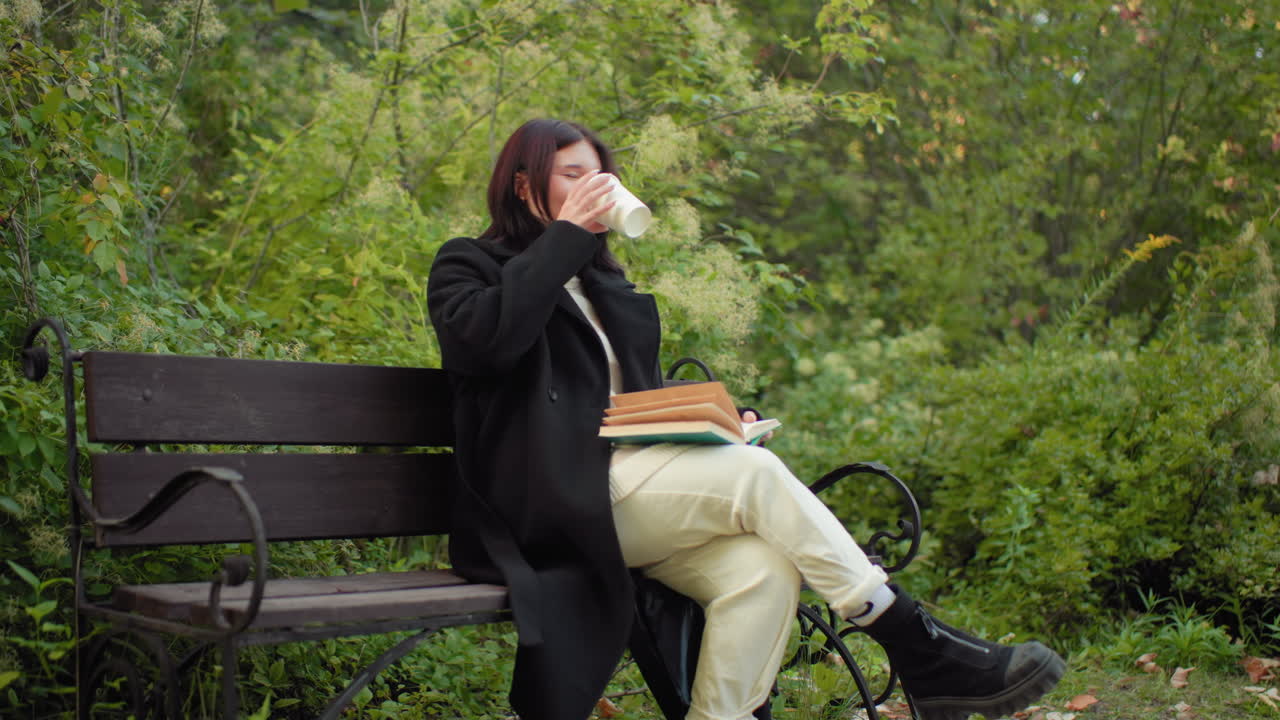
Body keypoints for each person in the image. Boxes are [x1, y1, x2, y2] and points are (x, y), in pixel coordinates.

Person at [426, 118, 1065, 720]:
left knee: (762, 568)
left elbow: (622, 395)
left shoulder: (602, 285)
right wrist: (564, 238)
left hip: (626, 495)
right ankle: (915, 641)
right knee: (754, 476)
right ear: (523, 185)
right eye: (573, 175)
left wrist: (715, 417)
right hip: (548, 504)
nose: (593, 188)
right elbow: (487, 344)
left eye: (600, 176)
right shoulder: (469, 265)